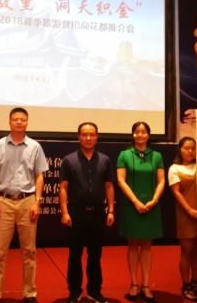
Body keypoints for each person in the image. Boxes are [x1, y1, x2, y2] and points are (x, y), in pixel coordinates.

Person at [0, 107, 49, 303]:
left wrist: (37, 202)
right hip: (3, 201)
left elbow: (39, 176)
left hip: (27, 201)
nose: (19, 122)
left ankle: (29, 292)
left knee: (29, 250)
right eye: (15, 119)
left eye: (22, 119)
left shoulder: (35, 147)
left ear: (27, 122)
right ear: (9, 122)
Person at [59, 122, 115, 303]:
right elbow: (63, 187)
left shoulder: (104, 160)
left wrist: (111, 210)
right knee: (75, 255)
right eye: (84, 134)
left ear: (97, 136)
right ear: (78, 137)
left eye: (92, 134)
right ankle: (74, 292)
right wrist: (65, 212)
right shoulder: (69, 160)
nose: (88, 138)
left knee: (95, 255)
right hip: (76, 213)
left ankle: (94, 291)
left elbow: (109, 186)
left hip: (98, 213)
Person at [117, 122, 165, 303]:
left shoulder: (157, 156)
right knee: (132, 244)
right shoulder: (124, 155)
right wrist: (136, 201)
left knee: (146, 245)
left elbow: (161, 181)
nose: (140, 135)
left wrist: (154, 200)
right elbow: (121, 181)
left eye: (143, 132)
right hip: (131, 206)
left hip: (151, 206)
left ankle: (145, 285)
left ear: (148, 135)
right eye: (137, 132)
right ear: (133, 135)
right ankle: (134, 284)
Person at [168, 137, 197, 301]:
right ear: (180, 150)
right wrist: (189, 210)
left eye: (193, 148)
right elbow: (176, 192)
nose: (190, 151)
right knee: (187, 250)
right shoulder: (174, 169)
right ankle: (186, 285)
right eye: (186, 148)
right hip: (185, 213)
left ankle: (195, 283)